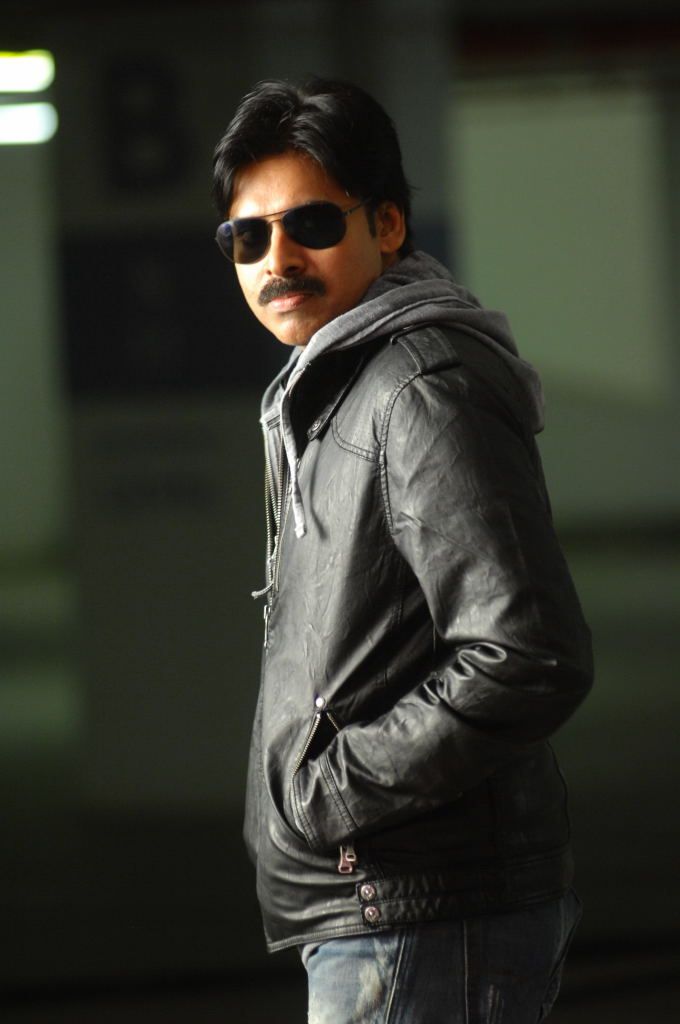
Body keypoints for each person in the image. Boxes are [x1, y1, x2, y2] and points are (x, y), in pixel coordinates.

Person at [212, 76, 593, 1024]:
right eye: (248, 237)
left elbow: (527, 654)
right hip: (390, 910)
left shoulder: (416, 389)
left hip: (417, 916)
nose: (277, 258)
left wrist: (331, 797)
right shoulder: (337, 389)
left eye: (311, 224)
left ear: (387, 225)